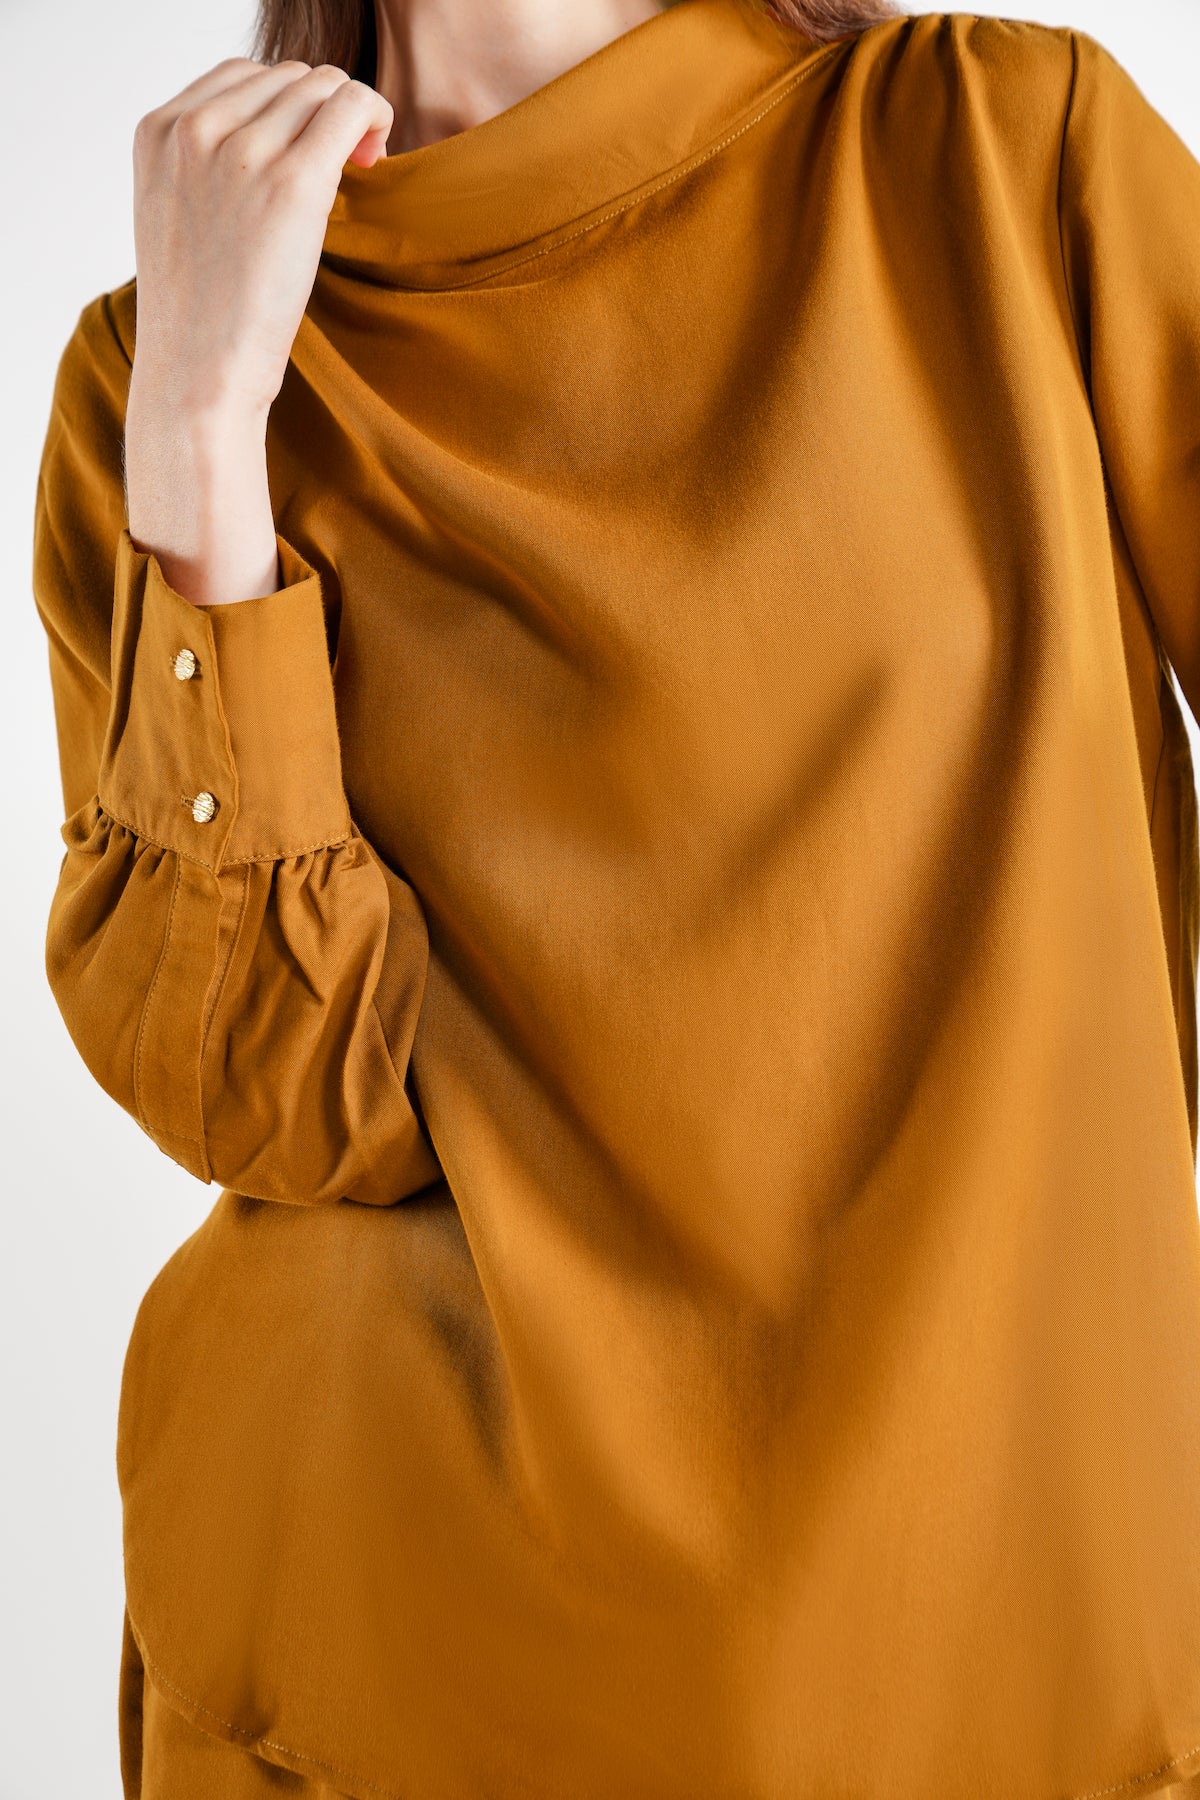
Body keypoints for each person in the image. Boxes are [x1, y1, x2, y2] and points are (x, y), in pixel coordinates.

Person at [31, 0, 1200, 1792]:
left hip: (1008, 1682)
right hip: (388, 1688)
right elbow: (265, 1099)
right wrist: (202, 428)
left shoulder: (1000, 150)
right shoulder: (163, 357)